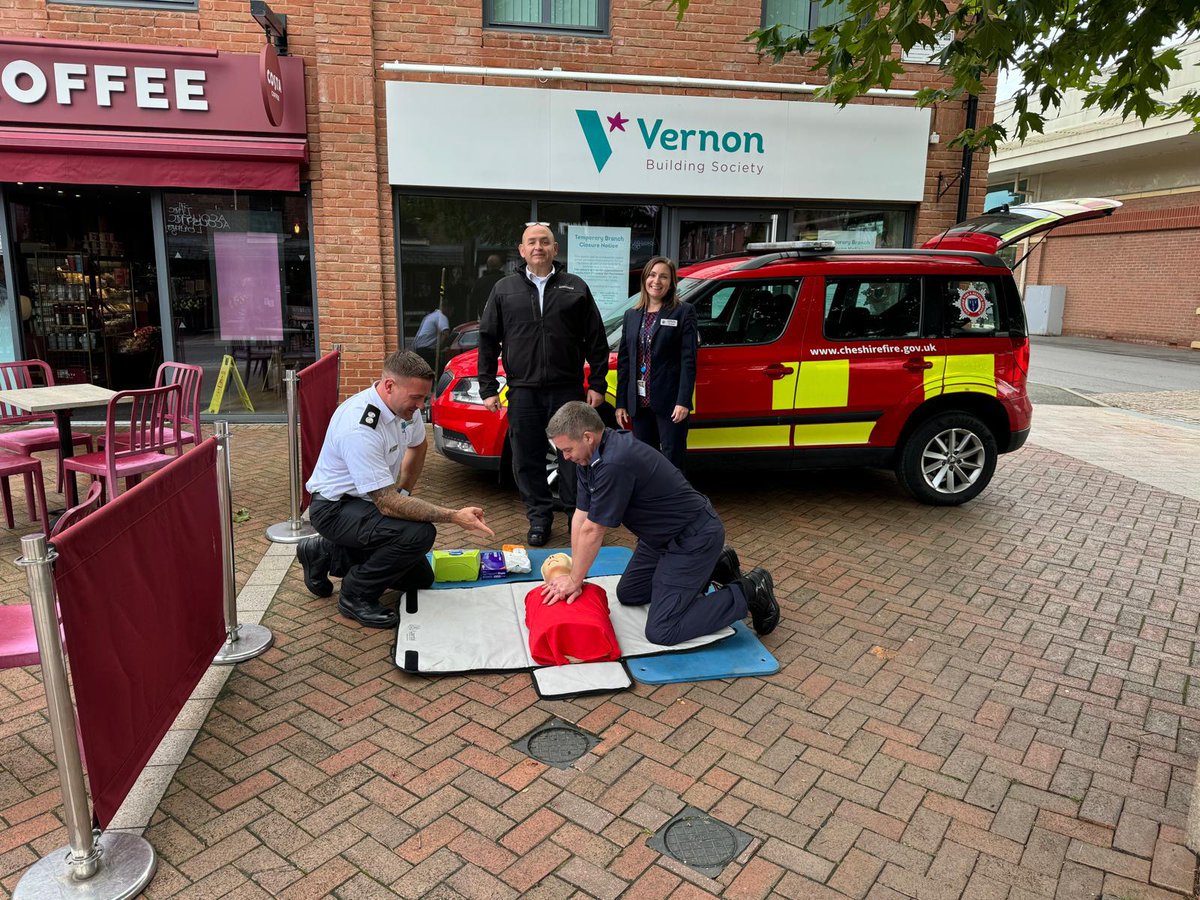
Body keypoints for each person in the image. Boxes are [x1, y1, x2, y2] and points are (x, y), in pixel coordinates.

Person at [542, 401, 780, 645]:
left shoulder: (615, 462)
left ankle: (750, 590)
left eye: (567, 449)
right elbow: (581, 516)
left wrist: (574, 581)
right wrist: (574, 575)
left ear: (587, 437)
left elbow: (593, 530)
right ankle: (716, 564)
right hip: (658, 540)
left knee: (663, 629)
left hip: (692, 538)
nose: (565, 456)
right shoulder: (588, 458)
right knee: (629, 594)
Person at [298, 350, 494, 628]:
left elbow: (418, 446)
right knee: (419, 534)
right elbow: (387, 505)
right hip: (335, 509)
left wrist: (404, 492)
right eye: (416, 397)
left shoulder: (403, 408)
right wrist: (453, 515)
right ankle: (355, 595)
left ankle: (325, 552)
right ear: (389, 386)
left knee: (419, 579)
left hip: (367, 504)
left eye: (424, 397)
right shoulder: (360, 426)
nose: (421, 405)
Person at [478, 224, 609, 547]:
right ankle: (539, 518)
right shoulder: (504, 289)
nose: (538, 247)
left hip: (567, 389)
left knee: (575, 455)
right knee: (526, 457)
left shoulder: (575, 287)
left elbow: (596, 340)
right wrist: (488, 388)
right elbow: (488, 340)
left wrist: (597, 383)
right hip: (523, 389)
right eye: (532, 242)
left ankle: (576, 516)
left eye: (545, 242)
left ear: (555, 249)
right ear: (522, 251)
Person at [615, 257, 697, 470]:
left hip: (670, 403)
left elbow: (688, 362)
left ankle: (674, 502)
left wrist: (683, 401)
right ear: (644, 279)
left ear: (671, 282)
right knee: (644, 458)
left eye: (663, 276)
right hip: (640, 403)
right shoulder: (631, 315)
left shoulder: (683, 312)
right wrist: (621, 403)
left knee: (672, 458)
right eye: (652, 275)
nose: (656, 281)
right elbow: (624, 362)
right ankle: (650, 502)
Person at [411, 299, 450, 371]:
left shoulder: (431, 316)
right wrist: (439, 349)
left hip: (419, 349)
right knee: (441, 372)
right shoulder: (441, 316)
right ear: (445, 307)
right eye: (450, 309)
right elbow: (446, 334)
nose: (451, 312)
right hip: (427, 351)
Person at [469, 254, 505, 319]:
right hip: (503, 317)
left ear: (487, 266)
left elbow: (473, 303)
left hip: (485, 318)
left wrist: (472, 320)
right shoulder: (505, 281)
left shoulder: (480, 282)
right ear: (500, 266)